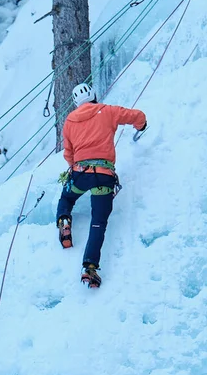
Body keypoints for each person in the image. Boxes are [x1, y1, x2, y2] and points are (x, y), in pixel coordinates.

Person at [55, 82, 147, 289]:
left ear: (76, 102)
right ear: (94, 95)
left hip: (80, 174)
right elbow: (137, 116)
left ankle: (64, 220)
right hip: (104, 176)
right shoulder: (107, 112)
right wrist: (141, 126)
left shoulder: (69, 121)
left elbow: (68, 154)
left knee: (66, 198)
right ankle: (89, 268)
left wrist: (76, 168)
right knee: (98, 222)